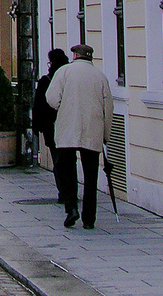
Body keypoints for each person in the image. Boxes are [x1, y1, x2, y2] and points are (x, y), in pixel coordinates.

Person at [46, 43, 114, 230]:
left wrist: (62, 106)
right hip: (92, 130)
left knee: (66, 170)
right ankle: (89, 217)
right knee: (91, 175)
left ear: (75, 55)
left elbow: (51, 98)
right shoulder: (100, 77)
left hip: (68, 128)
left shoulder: (64, 72)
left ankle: (72, 208)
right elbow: (108, 109)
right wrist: (105, 135)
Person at [31, 48, 69, 203]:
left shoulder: (46, 80)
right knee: (68, 160)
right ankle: (68, 190)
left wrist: (36, 125)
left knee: (58, 160)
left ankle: (63, 191)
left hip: (52, 127)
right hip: (68, 126)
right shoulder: (68, 78)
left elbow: (38, 105)